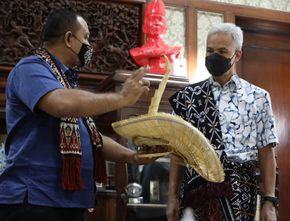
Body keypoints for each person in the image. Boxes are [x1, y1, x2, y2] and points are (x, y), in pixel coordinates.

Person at [0, 9, 154, 221]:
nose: (90, 46)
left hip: (70, 203)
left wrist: (132, 156)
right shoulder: (30, 68)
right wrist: (121, 99)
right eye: (86, 37)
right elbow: (60, 104)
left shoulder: (67, 83)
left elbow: (94, 140)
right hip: (34, 200)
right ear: (69, 39)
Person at [167, 23, 278, 221]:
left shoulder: (258, 97)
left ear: (237, 55)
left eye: (222, 51)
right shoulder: (188, 97)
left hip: (240, 193)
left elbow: (266, 152)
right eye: (209, 50)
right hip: (196, 192)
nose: (214, 55)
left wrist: (269, 201)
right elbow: (177, 152)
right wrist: (172, 198)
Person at [130, 0, 181, 74]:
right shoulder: (138, 53)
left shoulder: (172, 51)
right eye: (152, 19)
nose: (157, 23)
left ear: (165, 28)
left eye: (160, 19)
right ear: (144, 27)